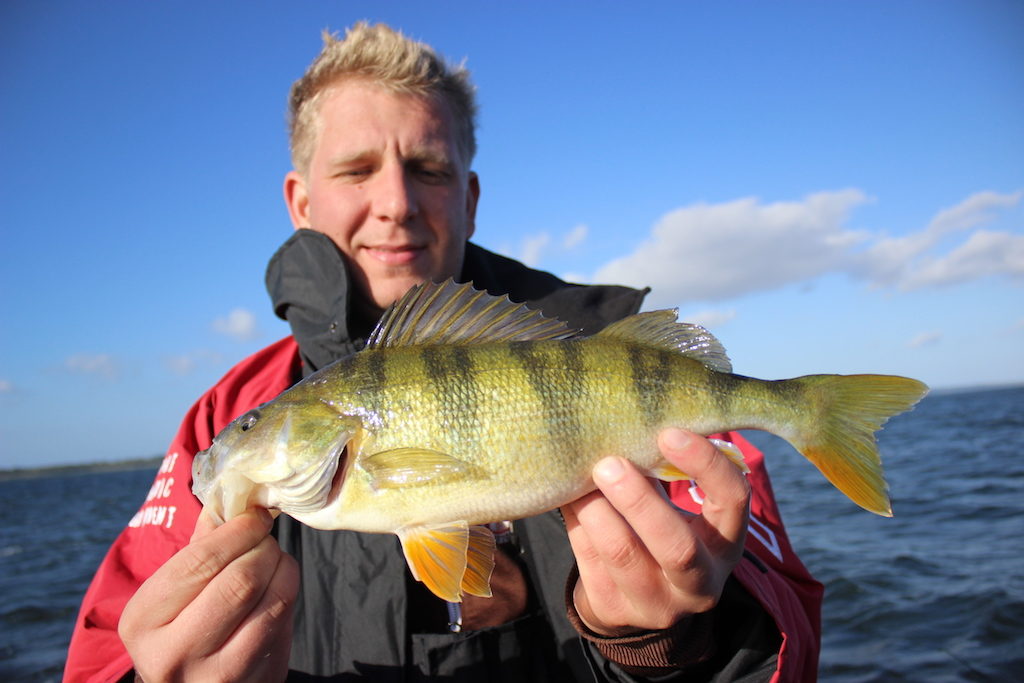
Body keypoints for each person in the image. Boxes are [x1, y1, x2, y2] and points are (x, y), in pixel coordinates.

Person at [65, 23, 822, 682]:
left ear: (470, 197)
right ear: (300, 200)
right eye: (356, 169)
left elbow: (790, 626)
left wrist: (681, 640)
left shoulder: (606, 346)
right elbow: (103, 649)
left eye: (429, 169)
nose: (396, 203)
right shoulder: (223, 412)